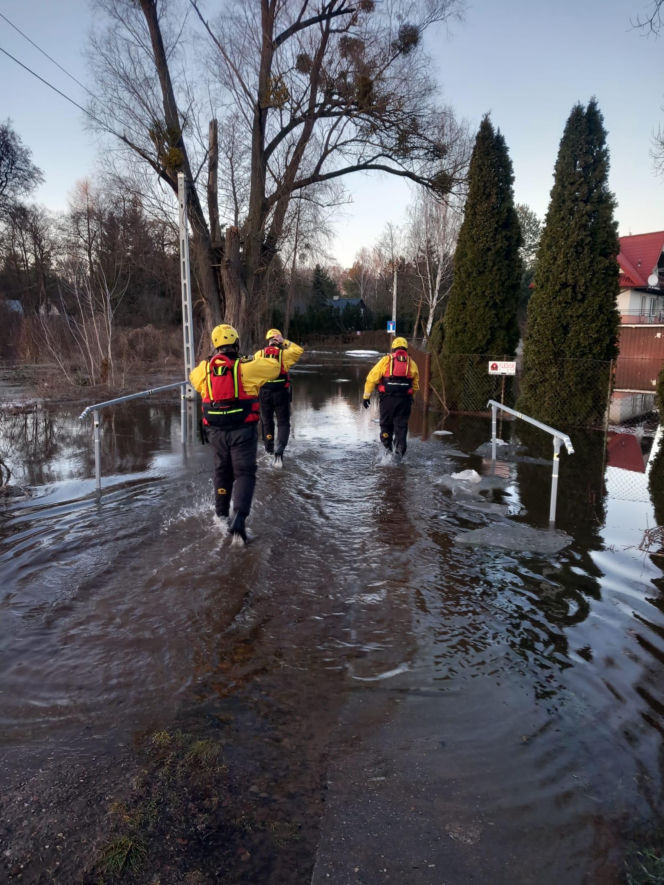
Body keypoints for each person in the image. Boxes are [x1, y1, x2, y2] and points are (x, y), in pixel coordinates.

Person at [189, 324, 281, 544]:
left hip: (216, 432)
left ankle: (221, 515)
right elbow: (274, 369)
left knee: (222, 470)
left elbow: (193, 378)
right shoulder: (247, 367)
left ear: (215, 345)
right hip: (242, 430)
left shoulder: (204, 369)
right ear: (236, 344)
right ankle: (239, 517)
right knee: (244, 472)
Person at [362, 336, 420, 461]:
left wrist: (366, 396)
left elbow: (372, 378)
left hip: (387, 400)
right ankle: (399, 452)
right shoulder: (412, 363)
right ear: (405, 348)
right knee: (401, 426)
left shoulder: (386, 360)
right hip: (404, 401)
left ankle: (387, 450)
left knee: (386, 425)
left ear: (393, 348)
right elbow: (415, 385)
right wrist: (411, 397)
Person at [253, 328, 304, 466]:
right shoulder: (284, 354)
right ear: (279, 341)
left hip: (264, 394)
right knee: (283, 422)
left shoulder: (259, 354)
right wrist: (285, 341)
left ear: (268, 341)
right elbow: (299, 350)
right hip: (281, 393)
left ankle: (269, 450)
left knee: (267, 421)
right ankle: (280, 450)